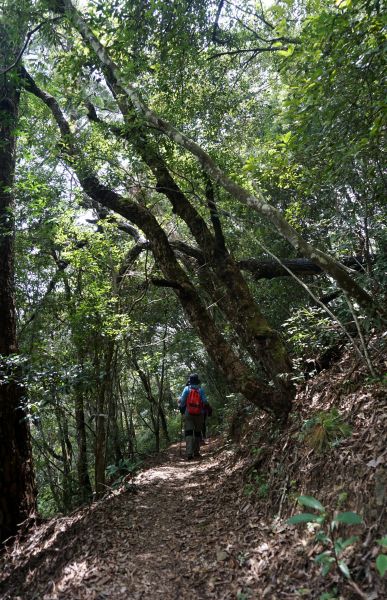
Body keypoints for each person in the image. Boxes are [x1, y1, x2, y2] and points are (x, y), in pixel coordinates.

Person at [179, 373, 208, 460]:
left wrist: (182, 409)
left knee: (189, 433)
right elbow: (205, 402)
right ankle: (196, 452)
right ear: (197, 381)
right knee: (197, 433)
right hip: (199, 414)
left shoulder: (186, 389)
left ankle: (189, 453)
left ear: (190, 381)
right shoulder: (200, 390)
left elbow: (182, 401)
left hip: (189, 413)